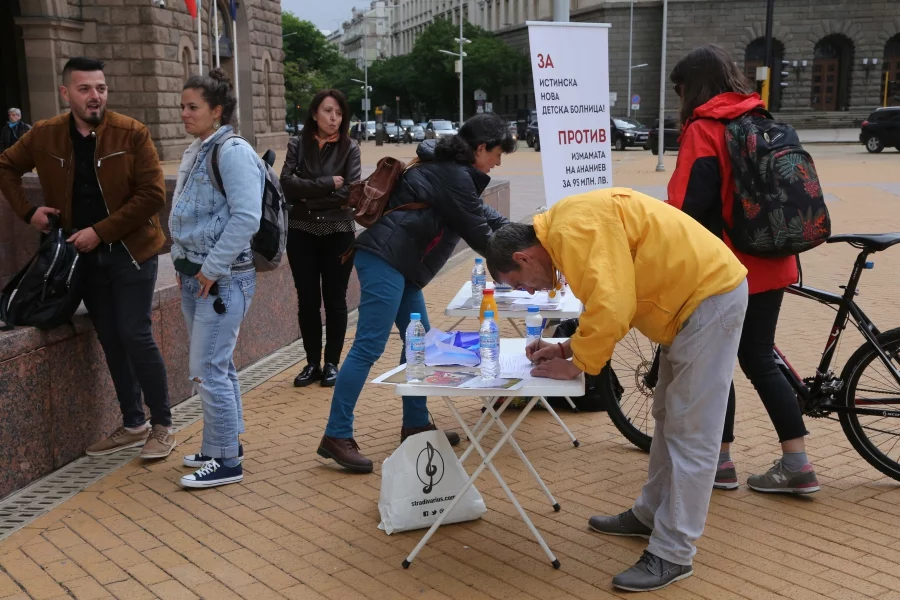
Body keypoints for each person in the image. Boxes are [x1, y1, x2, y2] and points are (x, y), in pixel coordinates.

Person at [485, 189, 748, 592]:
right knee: (668, 419)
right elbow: (607, 299)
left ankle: (674, 553)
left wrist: (577, 365)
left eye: (522, 284)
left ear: (523, 257)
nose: (533, 292)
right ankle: (649, 515)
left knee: (691, 434)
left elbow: (612, 304)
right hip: (691, 302)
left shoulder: (572, 231)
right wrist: (567, 347)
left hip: (705, 300)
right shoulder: (563, 228)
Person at [317, 113, 515, 473]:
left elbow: (484, 214)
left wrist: (531, 232)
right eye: (498, 154)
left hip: (400, 264)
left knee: (418, 343)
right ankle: (336, 434)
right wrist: (518, 262)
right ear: (481, 148)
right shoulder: (452, 175)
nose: (498, 162)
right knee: (368, 347)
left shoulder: (452, 172)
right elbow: (479, 230)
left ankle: (416, 424)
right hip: (385, 260)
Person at [0, 58, 175, 459]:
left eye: (101, 88)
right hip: (81, 258)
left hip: (132, 251)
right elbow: (6, 166)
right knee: (110, 337)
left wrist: (101, 231)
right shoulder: (45, 135)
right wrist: (29, 212)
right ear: (66, 93)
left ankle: (163, 425)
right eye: (85, 89)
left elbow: (152, 195)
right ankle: (134, 424)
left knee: (134, 332)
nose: (95, 96)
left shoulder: (131, 133)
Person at [667, 44, 818, 494]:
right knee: (760, 357)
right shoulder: (760, 118)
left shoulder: (706, 129)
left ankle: (720, 461)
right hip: (775, 257)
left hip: (728, 268)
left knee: (717, 364)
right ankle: (798, 463)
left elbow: (685, 207)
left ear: (690, 87)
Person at [171, 68, 263, 489]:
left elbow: (247, 217)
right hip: (199, 276)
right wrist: (184, 262)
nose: (185, 114)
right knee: (216, 366)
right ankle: (221, 445)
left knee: (208, 368)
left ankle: (226, 462)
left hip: (222, 280)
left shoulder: (232, 151)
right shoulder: (200, 148)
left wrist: (210, 268)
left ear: (217, 111)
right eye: (184, 106)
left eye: (193, 107)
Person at [280, 90, 361, 388]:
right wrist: (326, 184)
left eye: (338, 113)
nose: (334, 118)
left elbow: (349, 193)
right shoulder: (296, 145)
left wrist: (308, 197)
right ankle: (312, 362)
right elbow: (286, 185)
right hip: (301, 232)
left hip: (338, 232)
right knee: (308, 301)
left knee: (335, 300)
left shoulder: (350, 148)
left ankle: (332, 363)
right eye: (328, 111)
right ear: (315, 113)